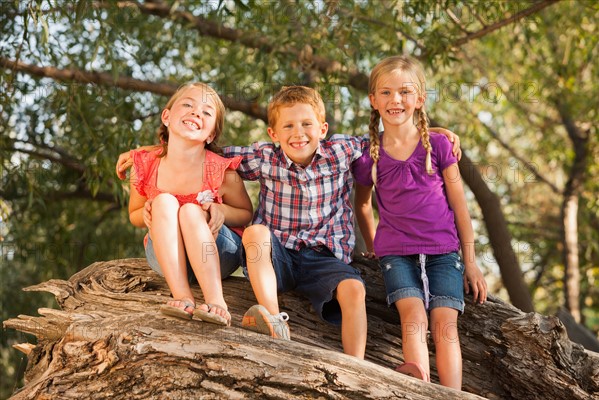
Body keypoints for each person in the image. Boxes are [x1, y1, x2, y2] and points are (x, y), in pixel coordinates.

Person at [117, 85, 460, 359]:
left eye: (307, 124)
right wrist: (148, 152)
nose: (299, 133)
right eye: (288, 126)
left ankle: (355, 365)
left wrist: (433, 133)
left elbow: (390, 140)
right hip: (277, 254)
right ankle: (273, 320)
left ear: (323, 129)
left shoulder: (342, 149)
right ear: (273, 133)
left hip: (324, 257)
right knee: (255, 232)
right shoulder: (263, 156)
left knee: (354, 289)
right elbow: (195, 145)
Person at [352, 55, 487, 389]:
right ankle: (420, 388)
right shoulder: (370, 155)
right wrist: (373, 247)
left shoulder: (438, 145)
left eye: (404, 92)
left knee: (444, 324)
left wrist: (470, 263)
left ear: (420, 99)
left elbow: (460, 208)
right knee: (412, 317)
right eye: (385, 93)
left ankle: (451, 395)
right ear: (373, 100)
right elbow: (362, 205)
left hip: (444, 251)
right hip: (396, 253)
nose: (395, 100)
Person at [127, 82, 253, 326]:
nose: (196, 112)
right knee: (163, 201)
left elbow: (246, 214)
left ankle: (217, 301)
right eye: (187, 104)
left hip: (217, 251)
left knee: (191, 211)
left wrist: (222, 210)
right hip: (167, 257)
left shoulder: (221, 171)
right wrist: (144, 212)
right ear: (166, 116)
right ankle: (182, 296)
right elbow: (133, 214)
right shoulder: (145, 166)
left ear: (211, 135)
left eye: (207, 112)